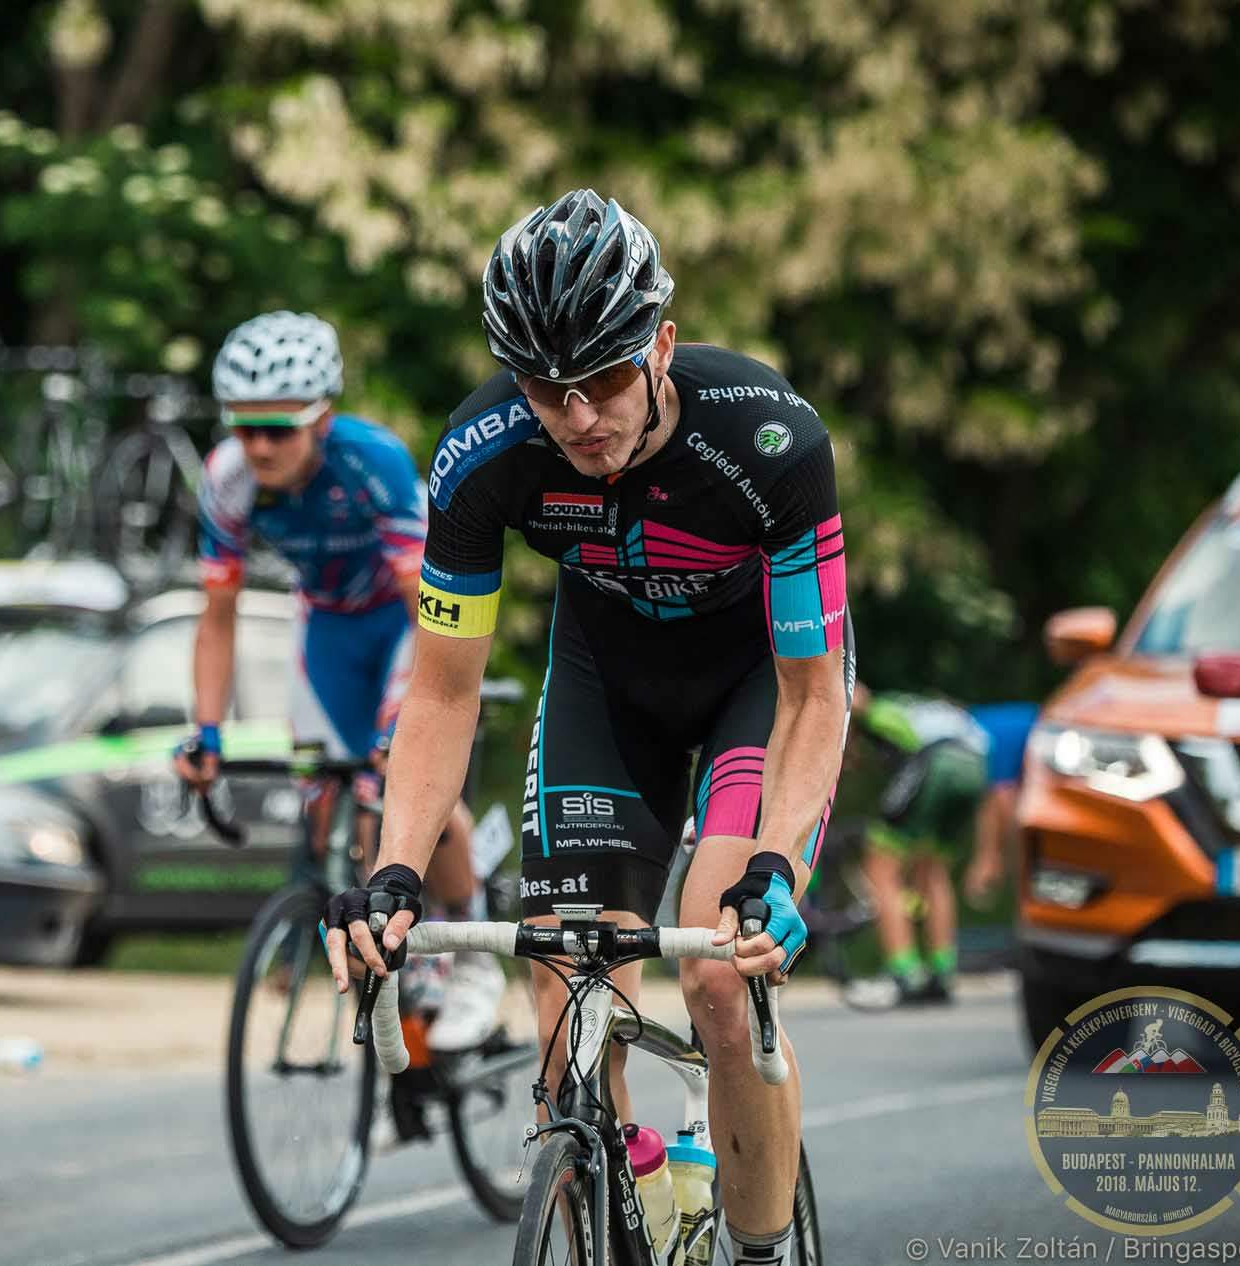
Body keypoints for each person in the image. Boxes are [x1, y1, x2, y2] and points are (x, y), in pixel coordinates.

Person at [324, 188, 852, 1266]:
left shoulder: (768, 438)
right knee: (570, 993)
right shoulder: (481, 455)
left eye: (604, 380)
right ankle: (624, 1192)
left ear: (660, 344)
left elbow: (813, 694)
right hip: (605, 690)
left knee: (719, 973)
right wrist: (394, 874)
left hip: (757, 688)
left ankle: (757, 1252)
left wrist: (776, 867)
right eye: (544, 390)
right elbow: (441, 693)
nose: (576, 419)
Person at [172, 310, 504, 1052]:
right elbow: (217, 616)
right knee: (324, 796)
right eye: (244, 427)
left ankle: (471, 951)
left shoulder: (371, 461)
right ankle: (374, 966)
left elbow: (424, 603)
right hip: (326, 628)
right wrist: (206, 731)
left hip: (402, 624)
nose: (259, 446)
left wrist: (421, 720)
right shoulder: (227, 478)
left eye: (278, 428)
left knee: (406, 779)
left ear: (322, 419)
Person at [837, 683, 990, 1008]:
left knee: (881, 868)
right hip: (975, 766)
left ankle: (904, 972)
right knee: (933, 870)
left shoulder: (886, 707)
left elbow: (858, 700)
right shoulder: (929, 709)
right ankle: (942, 971)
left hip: (935, 761)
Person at [964, 699, 1039, 906]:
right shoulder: (982, 728)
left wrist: (990, 857)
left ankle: (1028, 886)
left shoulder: (981, 738)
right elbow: (990, 803)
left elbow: (1002, 798)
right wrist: (989, 854)